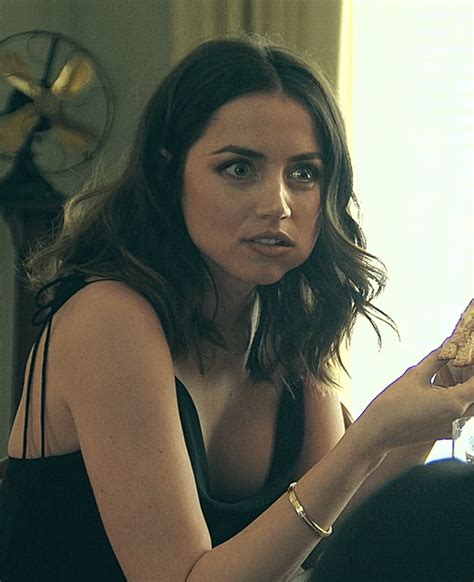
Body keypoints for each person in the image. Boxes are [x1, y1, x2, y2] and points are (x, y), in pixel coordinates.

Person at [0, 34, 472, 581]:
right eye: (239, 169)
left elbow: (331, 534)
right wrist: (369, 435)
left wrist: (434, 405)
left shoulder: (287, 319)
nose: (277, 204)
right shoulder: (108, 318)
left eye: (304, 173)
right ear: (168, 174)